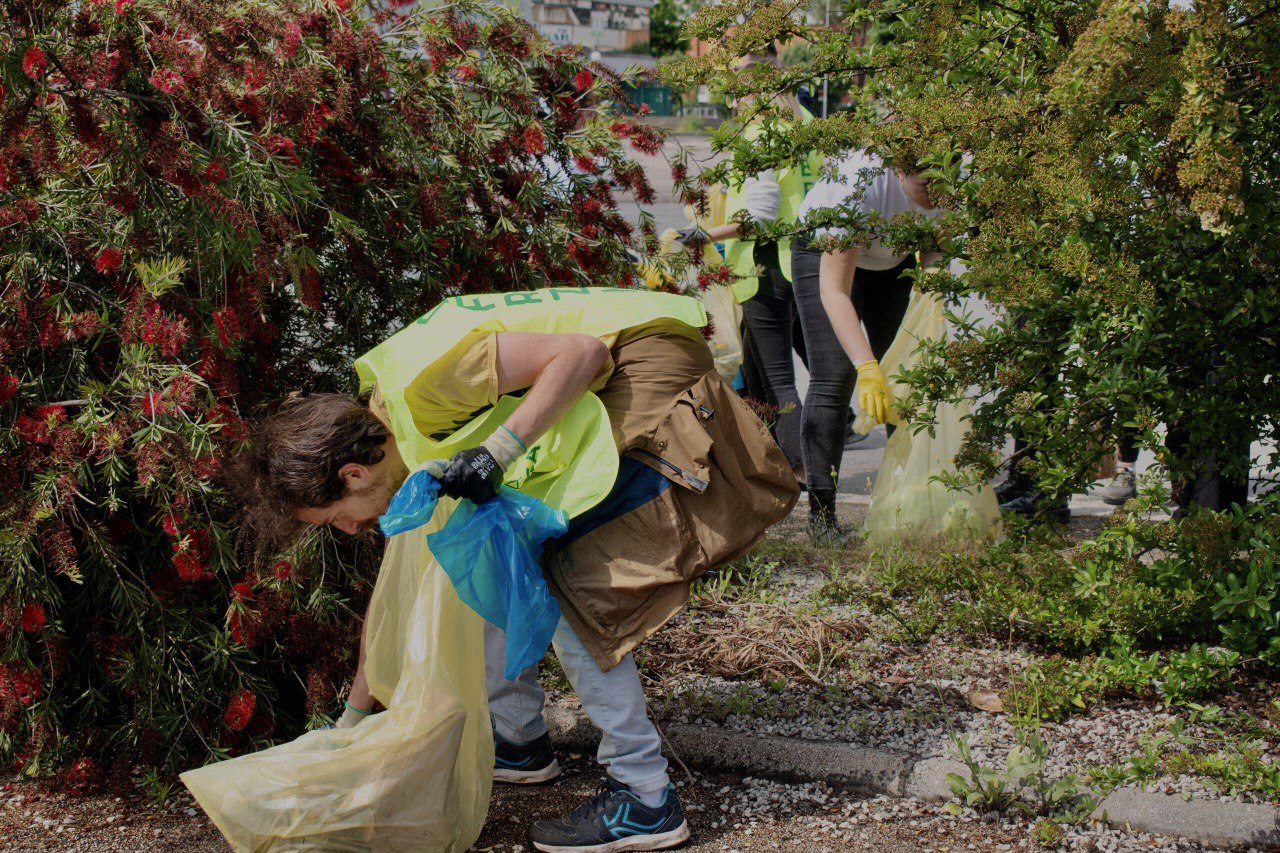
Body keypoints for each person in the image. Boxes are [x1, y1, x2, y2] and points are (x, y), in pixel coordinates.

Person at [240, 286, 798, 852]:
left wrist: (496, 454)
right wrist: (348, 731)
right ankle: (519, 740)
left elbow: (581, 354)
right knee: (493, 556)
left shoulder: (423, 390)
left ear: (354, 474)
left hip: (650, 366)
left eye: (335, 517)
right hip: (620, 364)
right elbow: (394, 602)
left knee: (568, 585)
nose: (348, 530)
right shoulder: (397, 439)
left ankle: (645, 794)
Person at [790, 151, 942, 543]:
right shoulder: (858, 183)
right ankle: (822, 519)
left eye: (947, 185)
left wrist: (930, 314)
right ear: (899, 169)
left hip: (892, 260)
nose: (938, 196)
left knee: (906, 372)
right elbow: (834, 290)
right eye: (927, 185)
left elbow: (935, 255)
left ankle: (906, 502)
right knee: (834, 374)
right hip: (824, 251)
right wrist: (867, 366)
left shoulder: (950, 183)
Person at [683, 53, 820, 482]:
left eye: (740, 94)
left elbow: (759, 214)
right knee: (767, 369)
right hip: (806, 259)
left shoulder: (761, 136)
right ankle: (782, 460)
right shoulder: (809, 127)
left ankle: (799, 469)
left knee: (779, 380)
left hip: (766, 265)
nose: (736, 103)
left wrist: (703, 236)